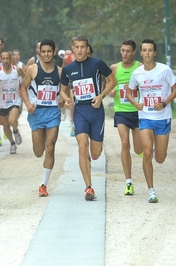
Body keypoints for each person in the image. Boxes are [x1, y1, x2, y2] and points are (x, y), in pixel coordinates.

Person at [60, 35, 117, 201]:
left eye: (82, 47)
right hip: (80, 112)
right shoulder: (68, 69)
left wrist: (101, 96)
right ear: (73, 48)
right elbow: (63, 89)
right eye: (76, 47)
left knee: (96, 153)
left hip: (96, 110)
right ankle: (89, 187)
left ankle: (89, 160)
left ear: (87, 49)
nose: (79, 50)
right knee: (82, 147)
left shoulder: (97, 63)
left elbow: (112, 80)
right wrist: (66, 98)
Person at [126, 39, 176, 203]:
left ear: (154, 53)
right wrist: (136, 103)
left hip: (162, 117)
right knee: (147, 152)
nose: (147, 53)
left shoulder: (164, 70)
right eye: (144, 50)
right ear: (141, 53)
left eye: (150, 50)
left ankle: (159, 149)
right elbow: (129, 92)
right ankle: (151, 191)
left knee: (160, 158)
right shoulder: (137, 73)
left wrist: (164, 103)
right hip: (145, 118)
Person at [20, 39, 64, 197]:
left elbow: (64, 92)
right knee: (39, 151)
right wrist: (27, 104)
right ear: (40, 52)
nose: (46, 54)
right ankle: (41, 152)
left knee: (50, 147)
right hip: (36, 113)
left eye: (49, 51)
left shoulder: (59, 72)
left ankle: (43, 185)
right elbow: (23, 89)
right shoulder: (32, 69)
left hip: (53, 113)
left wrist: (63, 101)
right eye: (43, 51)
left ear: (54, 52)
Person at [109, 38, 143, 196]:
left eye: (128, 51)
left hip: (137, 111)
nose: (124, 53)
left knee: (138, 149)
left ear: (134, 52)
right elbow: (109, 84)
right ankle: (128, 182)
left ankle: (143, 149)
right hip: (121, 111)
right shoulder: (114, 68)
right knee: (124, 144)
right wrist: (111, 91)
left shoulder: (140, 67)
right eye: (122, 50)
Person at [0, 51, 25, 154]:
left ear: (10, 59)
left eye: (7, 58)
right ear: (1, 60)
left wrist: (23, 90)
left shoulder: (17, 70)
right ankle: (12, 143)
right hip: (2, 102)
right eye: (3, 59)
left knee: (12, 121)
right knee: (6, 126)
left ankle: (16, 131)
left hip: (15, 100)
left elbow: (26, 79)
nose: (5, 61)